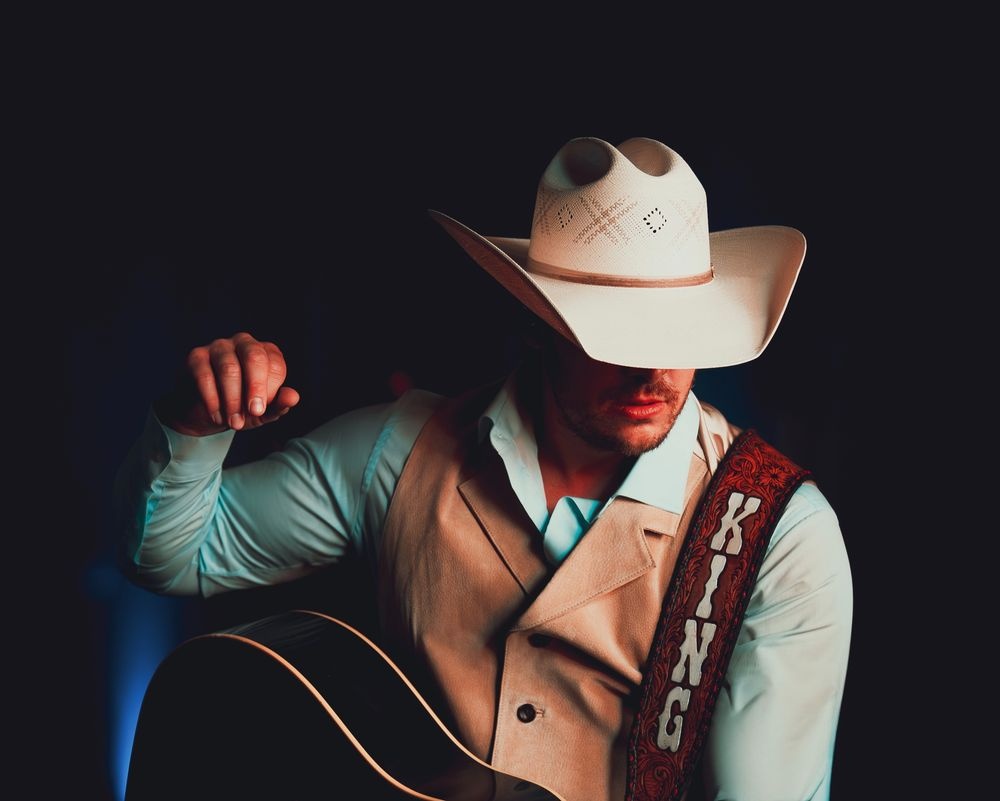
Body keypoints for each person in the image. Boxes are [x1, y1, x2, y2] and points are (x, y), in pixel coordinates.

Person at [113, 136, 852, 801]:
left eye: (682, 330)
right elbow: (170, 553)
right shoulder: (397, 452)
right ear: (536, 321)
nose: (653, 370)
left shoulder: (778, 534)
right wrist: (193, 423)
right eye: (618, 333)